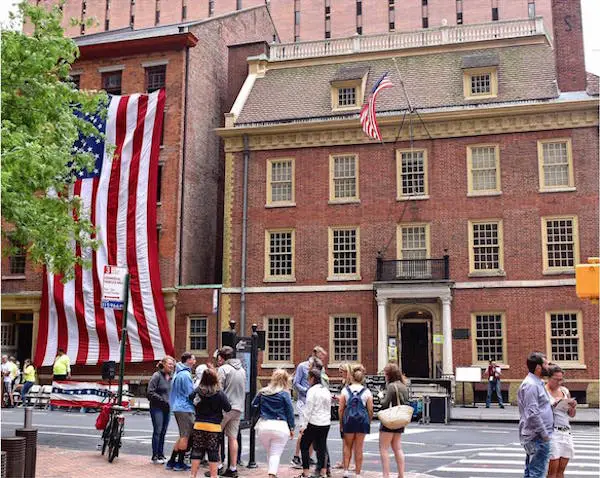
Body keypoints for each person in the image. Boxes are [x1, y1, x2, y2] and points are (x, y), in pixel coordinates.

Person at [189, 367, 232, 478]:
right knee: (213, 451)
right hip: (214, 427)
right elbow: (228, 408)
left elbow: (190, 398)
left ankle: (192, 475)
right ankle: (214, 475)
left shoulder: (198, 391)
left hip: (199, 425)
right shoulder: (219, 393)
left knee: (197, 450)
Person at [252, 369, 295, 478]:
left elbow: (253, 404)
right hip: (280, 426)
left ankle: (272, 472)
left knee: (271, 452)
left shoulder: (263, 392)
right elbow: (290, 412)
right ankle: (272, 474)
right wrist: (292, 428)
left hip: (264, 426)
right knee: (275, 453)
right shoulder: (285, 394)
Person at [518, 352, 553, 478]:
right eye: (546, 364)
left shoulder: (537, 383)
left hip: (537, 436)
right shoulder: (531, 385)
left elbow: (539, 407)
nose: (549, 366)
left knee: (532, 471)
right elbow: (532, 414)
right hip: (537, 437)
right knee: (537, 473)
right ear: (538, 367)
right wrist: (544, 435)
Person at [291, 345, 327, 468]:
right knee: (304, 429)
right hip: (304, 401)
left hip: (315, 401)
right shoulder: (302, 366)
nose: (323, 358)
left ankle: (308, 457)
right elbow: (295, 383)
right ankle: (296, 456)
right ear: (315, 354)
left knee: (312, 429)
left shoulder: (320, 368)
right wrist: (306, 391)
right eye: (321, 355)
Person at [214, 346, 246, 478]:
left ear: (221, 357)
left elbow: (218, 389)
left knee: (215, 436)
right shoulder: (242, 370)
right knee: (233, 437)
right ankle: (233, 468)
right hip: (238, 408)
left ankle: (218, 466)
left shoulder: (223, 369)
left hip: (224, 408)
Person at [296, 369, 331, 478]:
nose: (307, 380)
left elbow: (308, 409)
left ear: (312, 378)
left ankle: (306, 472)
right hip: (325, 422)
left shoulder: (312, 391)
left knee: (304, 445)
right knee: (321, 447)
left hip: (314, 422)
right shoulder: (325, 390)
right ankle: (323, 473)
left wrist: (303, 426)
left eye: (308, 378)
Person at [339, 364, 372, 478]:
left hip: (349, 420)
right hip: (362, 421)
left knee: (347, 446)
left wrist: (341, 423)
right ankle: (358, 473)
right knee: (359, 447)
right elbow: (370, 409)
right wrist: (369, 421)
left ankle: (346, 471)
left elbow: (341, 409)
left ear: (352, 377)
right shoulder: (367, 392)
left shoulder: (345, 390)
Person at [166, 352, 196, 471]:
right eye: (193, 359)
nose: (194, 361)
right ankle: (179, 463)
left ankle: (172, 461)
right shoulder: (186, 375)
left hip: (178, 406)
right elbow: (190, 394)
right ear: (188, 360)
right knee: (185, 436)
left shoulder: (178, 373)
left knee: (182, 435)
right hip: (185, 408)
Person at [378, 363, 409, 478]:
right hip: (400, 419)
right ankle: (401, 474)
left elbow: (385, 404)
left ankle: (386, 475)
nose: (385, 376)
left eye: (386, 374)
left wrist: (381, 396)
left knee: (384, 448)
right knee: (397, 447)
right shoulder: (404, 386)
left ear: (389, 374)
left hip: (390, 419)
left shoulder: (391, 386)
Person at [546, 364, 576, 478]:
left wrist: (572, 406)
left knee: (561, 471)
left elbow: (571, 415)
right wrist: (553, 405)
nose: (559, 382)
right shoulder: (544, 391)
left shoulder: (564, 391)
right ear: (549, 378)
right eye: (556, 379)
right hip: (553, 432)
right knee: (552, 472)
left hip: (566, 432)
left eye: (561, 379)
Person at [147, 355, 175, 464]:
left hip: (167, 408)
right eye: (169, 364)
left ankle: (161, 454)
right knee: (157, 431)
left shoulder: (171, 376)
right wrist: (163, 401)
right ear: (163, 364)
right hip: (157, 407)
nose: (172, 366)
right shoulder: (156, 376)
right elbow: (150, 393)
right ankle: (155, 456)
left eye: (173, 364)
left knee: (163, 432)